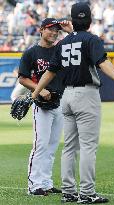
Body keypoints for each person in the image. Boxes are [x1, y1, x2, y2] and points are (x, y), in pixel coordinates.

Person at [31, 3, 114, 203]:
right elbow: (102, 61)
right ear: (90, 20)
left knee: (69, 147)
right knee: (88, 147)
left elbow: (50, 72)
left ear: (71, 20)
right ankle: (87, 193)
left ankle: (69, 192)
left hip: (66, 97)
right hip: (86, 95)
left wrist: (35, 92)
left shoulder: (62, 43)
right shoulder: (91, 39)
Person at [18, 18, 73, 196]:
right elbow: (23, 78)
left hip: (60, 102)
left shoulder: (61, 49)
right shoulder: (31, 53)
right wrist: (39, 90)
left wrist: (69, 30)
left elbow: (79, 42)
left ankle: (46, 182)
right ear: (41, 30)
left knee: (52, 145)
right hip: (42, 105)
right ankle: (34, 185)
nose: (54, 32)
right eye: (50, 29)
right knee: (41, 145)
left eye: (56, 30)